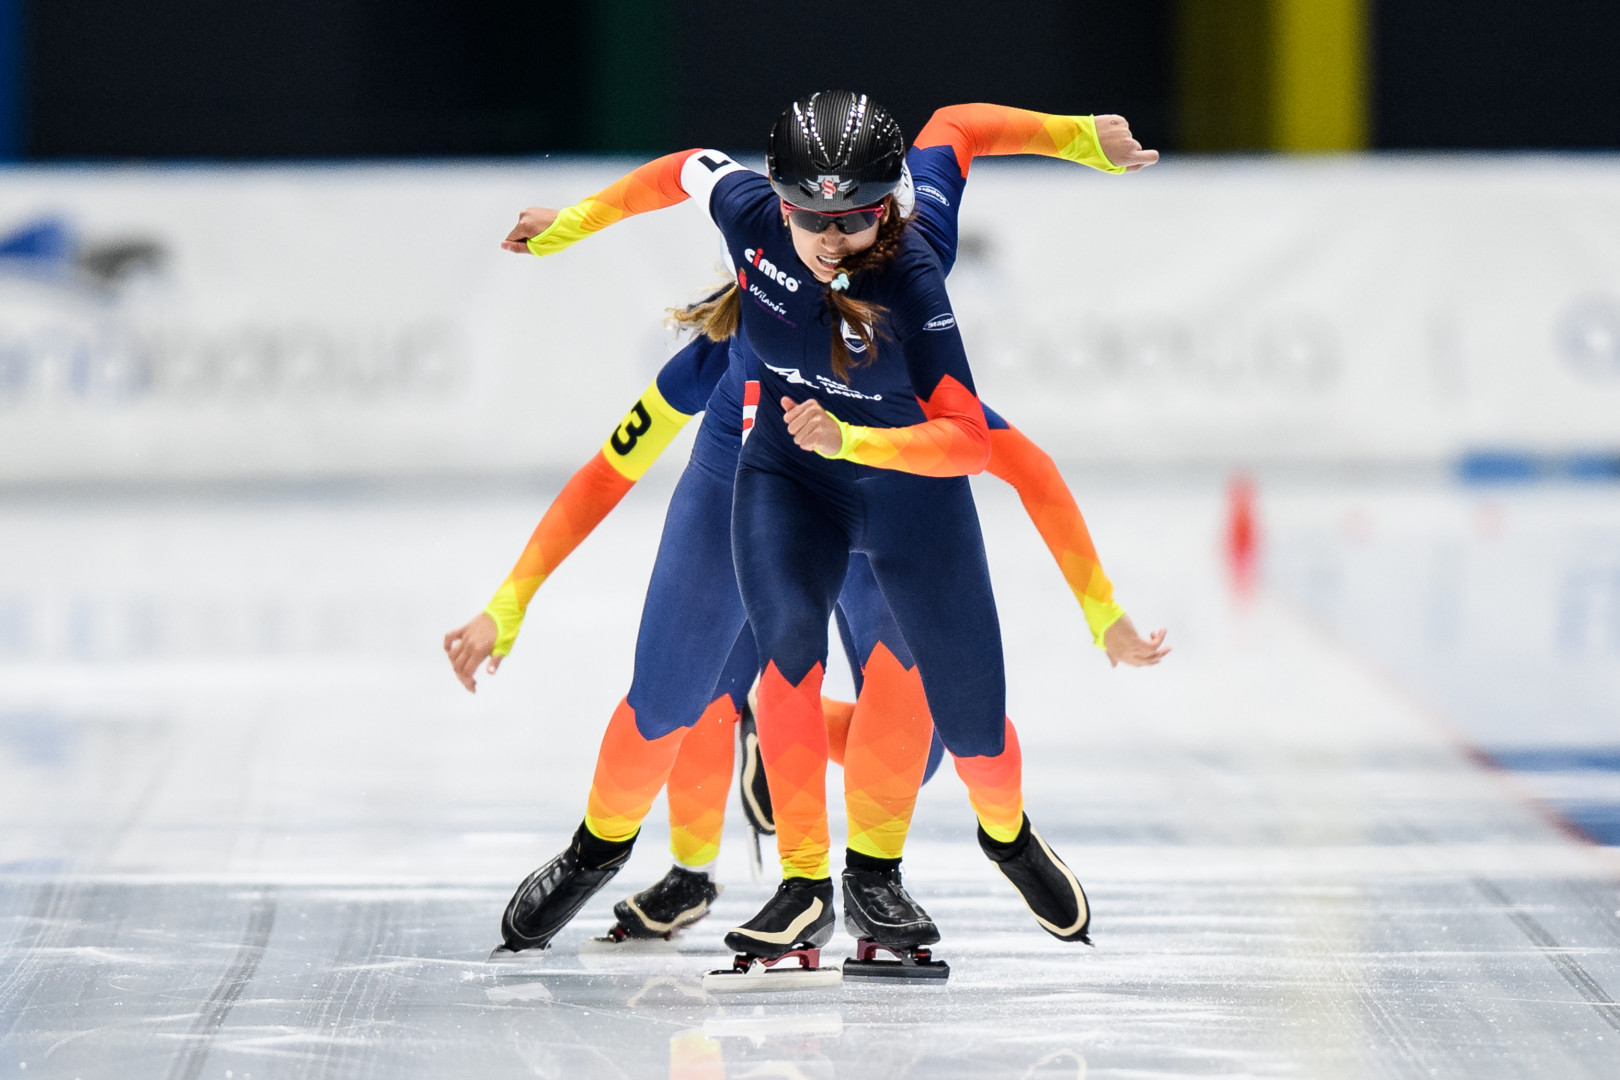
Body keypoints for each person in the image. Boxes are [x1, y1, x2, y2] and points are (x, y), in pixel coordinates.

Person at [457, 93, 1163, 964]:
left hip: (889, 473)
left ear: (886, 216)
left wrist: (1087, 141)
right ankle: (609, 851)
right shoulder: (726, 342)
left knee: (928, 712)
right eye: (809, 220)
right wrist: (510, 602)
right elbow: (606, 472)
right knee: (671, 701)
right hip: (774, 472)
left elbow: (1012, 458)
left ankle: (896, 867)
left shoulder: (914, 279)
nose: (831, 241)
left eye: (854, 222)